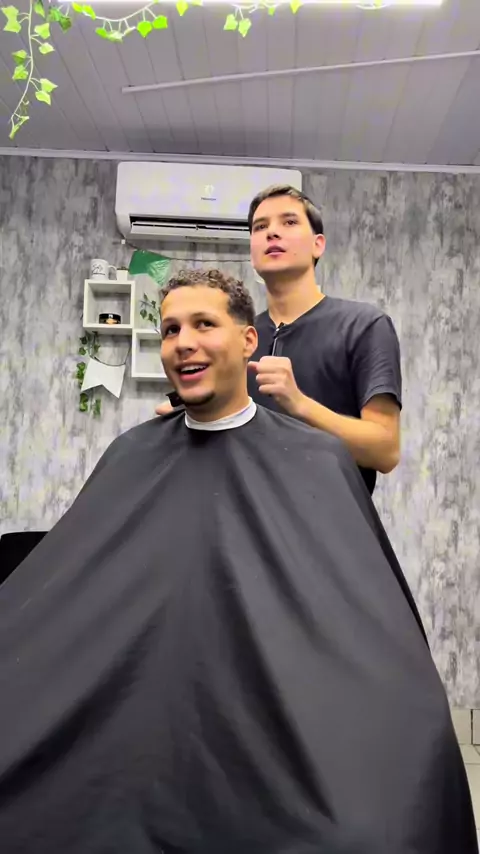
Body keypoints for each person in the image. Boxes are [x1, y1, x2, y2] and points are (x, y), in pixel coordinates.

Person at [0, 269, 476, 854]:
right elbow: (67, 597)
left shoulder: (316, 458)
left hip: (269, 716)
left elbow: (364, 617)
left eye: (204, 324)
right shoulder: (130, 454)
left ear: (249, 340)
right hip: (142, 723)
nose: (184, 343)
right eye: (171, 329)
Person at [156, 186, 401, 495]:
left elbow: (385, 451)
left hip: (327, 519)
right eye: (260, 227)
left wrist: (299, 404)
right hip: (242, 514)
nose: (272, 232)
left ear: (318, 245)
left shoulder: (364, 326)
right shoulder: (233, 337)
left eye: (289, 222)